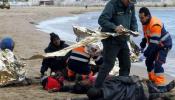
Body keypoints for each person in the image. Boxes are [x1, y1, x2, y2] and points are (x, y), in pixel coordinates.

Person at [94, 0, 138, 88]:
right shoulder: (112, 4)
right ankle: (96, 88)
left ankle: (121, 87)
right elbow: (102, 20)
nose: (131, 4)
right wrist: (115, 27)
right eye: (129, 1)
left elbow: (133, 20)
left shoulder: (131, 6)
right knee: (108, 64)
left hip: (123, 39)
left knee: (126, 64)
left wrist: (135, 30)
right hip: (111, 40)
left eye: (133, 2)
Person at [139, 7, 172, 87]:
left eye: (142, 18)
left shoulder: (155, 24)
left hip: (164, 45)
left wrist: (145, 54)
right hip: (156, 44)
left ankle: (160, 85)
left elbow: (153, 44)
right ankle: (152, 81)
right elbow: (146, 35)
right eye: (139, 18)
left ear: (148, 16)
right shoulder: (145, 23)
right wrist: (142, 45)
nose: (140, 20)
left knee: (158, 64)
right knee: (148, 61)